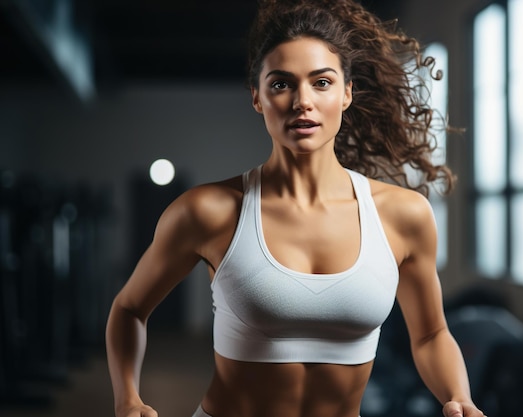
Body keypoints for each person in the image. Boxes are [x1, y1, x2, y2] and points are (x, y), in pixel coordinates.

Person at [105, 0, 486, 416]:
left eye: (321, 82)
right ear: (257, 97)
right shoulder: (208, 211)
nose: (302, 101)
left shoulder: (403, 215)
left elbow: (431, 333)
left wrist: (459, 398)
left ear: (347, 93)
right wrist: (128, 399)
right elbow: (130, 308)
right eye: (282, 84)